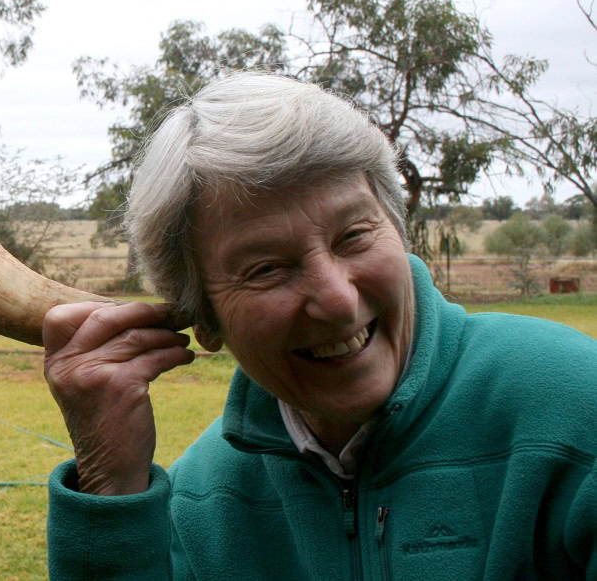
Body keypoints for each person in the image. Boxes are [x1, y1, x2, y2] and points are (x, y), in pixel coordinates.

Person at [43, 72, 597, 579]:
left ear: (399, 231)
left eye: (353, 235)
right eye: (266, 268)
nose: (336, 300)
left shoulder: (573, 406)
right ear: (204, 320)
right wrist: (110, 486)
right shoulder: (203, 506)